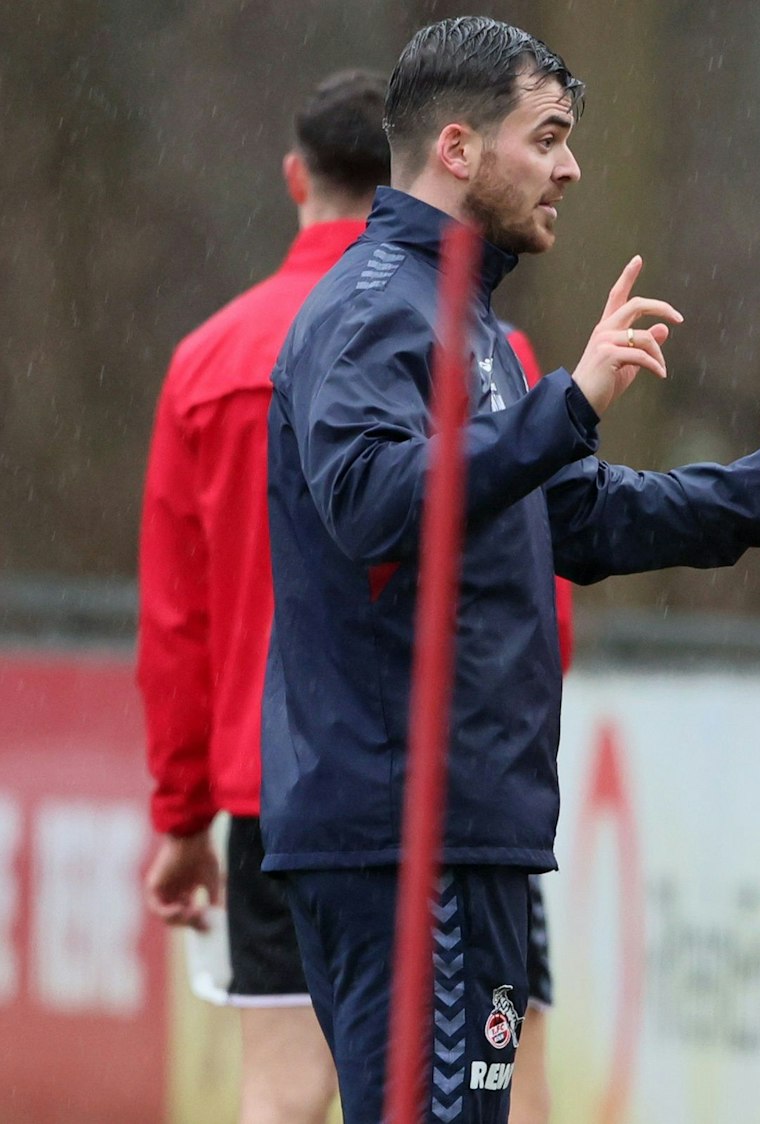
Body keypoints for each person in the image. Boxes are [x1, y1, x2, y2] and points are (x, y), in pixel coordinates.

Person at [259, 19, 760, 1124]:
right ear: (457, 147)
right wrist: (568, 405)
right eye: (547, 138)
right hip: (405, 827)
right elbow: (371, 502)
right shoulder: (373, 306)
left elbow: (577, 516)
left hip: (462, 823)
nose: (572, 167)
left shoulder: (470, 320)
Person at [137, 69, 381, 1124]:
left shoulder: (208, 361)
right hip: (432, 796)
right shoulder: (476, 348)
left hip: (272, 787)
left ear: (295, 177)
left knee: (282, 1093)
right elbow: (536, 607)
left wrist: (185, 812)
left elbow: (177, 620)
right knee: (453, 1087)